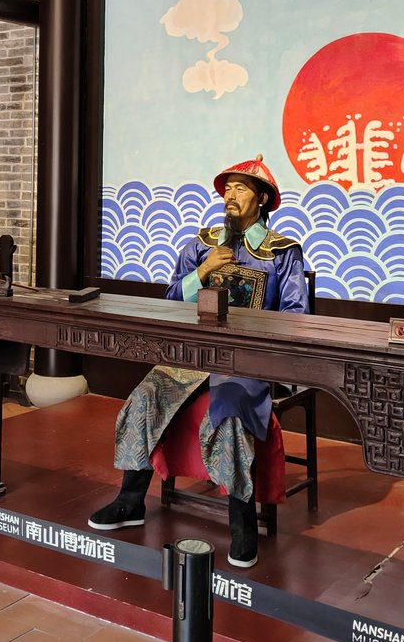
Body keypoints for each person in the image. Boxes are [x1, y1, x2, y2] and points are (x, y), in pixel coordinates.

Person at [88, 155, 309, 568]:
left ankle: (242, 523)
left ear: (262, 199)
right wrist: (204, 271)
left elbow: (297, 316)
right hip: (192, 356)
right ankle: (130, 500)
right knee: (144, 397)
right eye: (228, 188)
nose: (231, 195)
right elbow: (172, 301)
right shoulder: (201, 246)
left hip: (247, 361)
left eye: (241, 188)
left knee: (229, 413)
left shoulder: (283, 253)